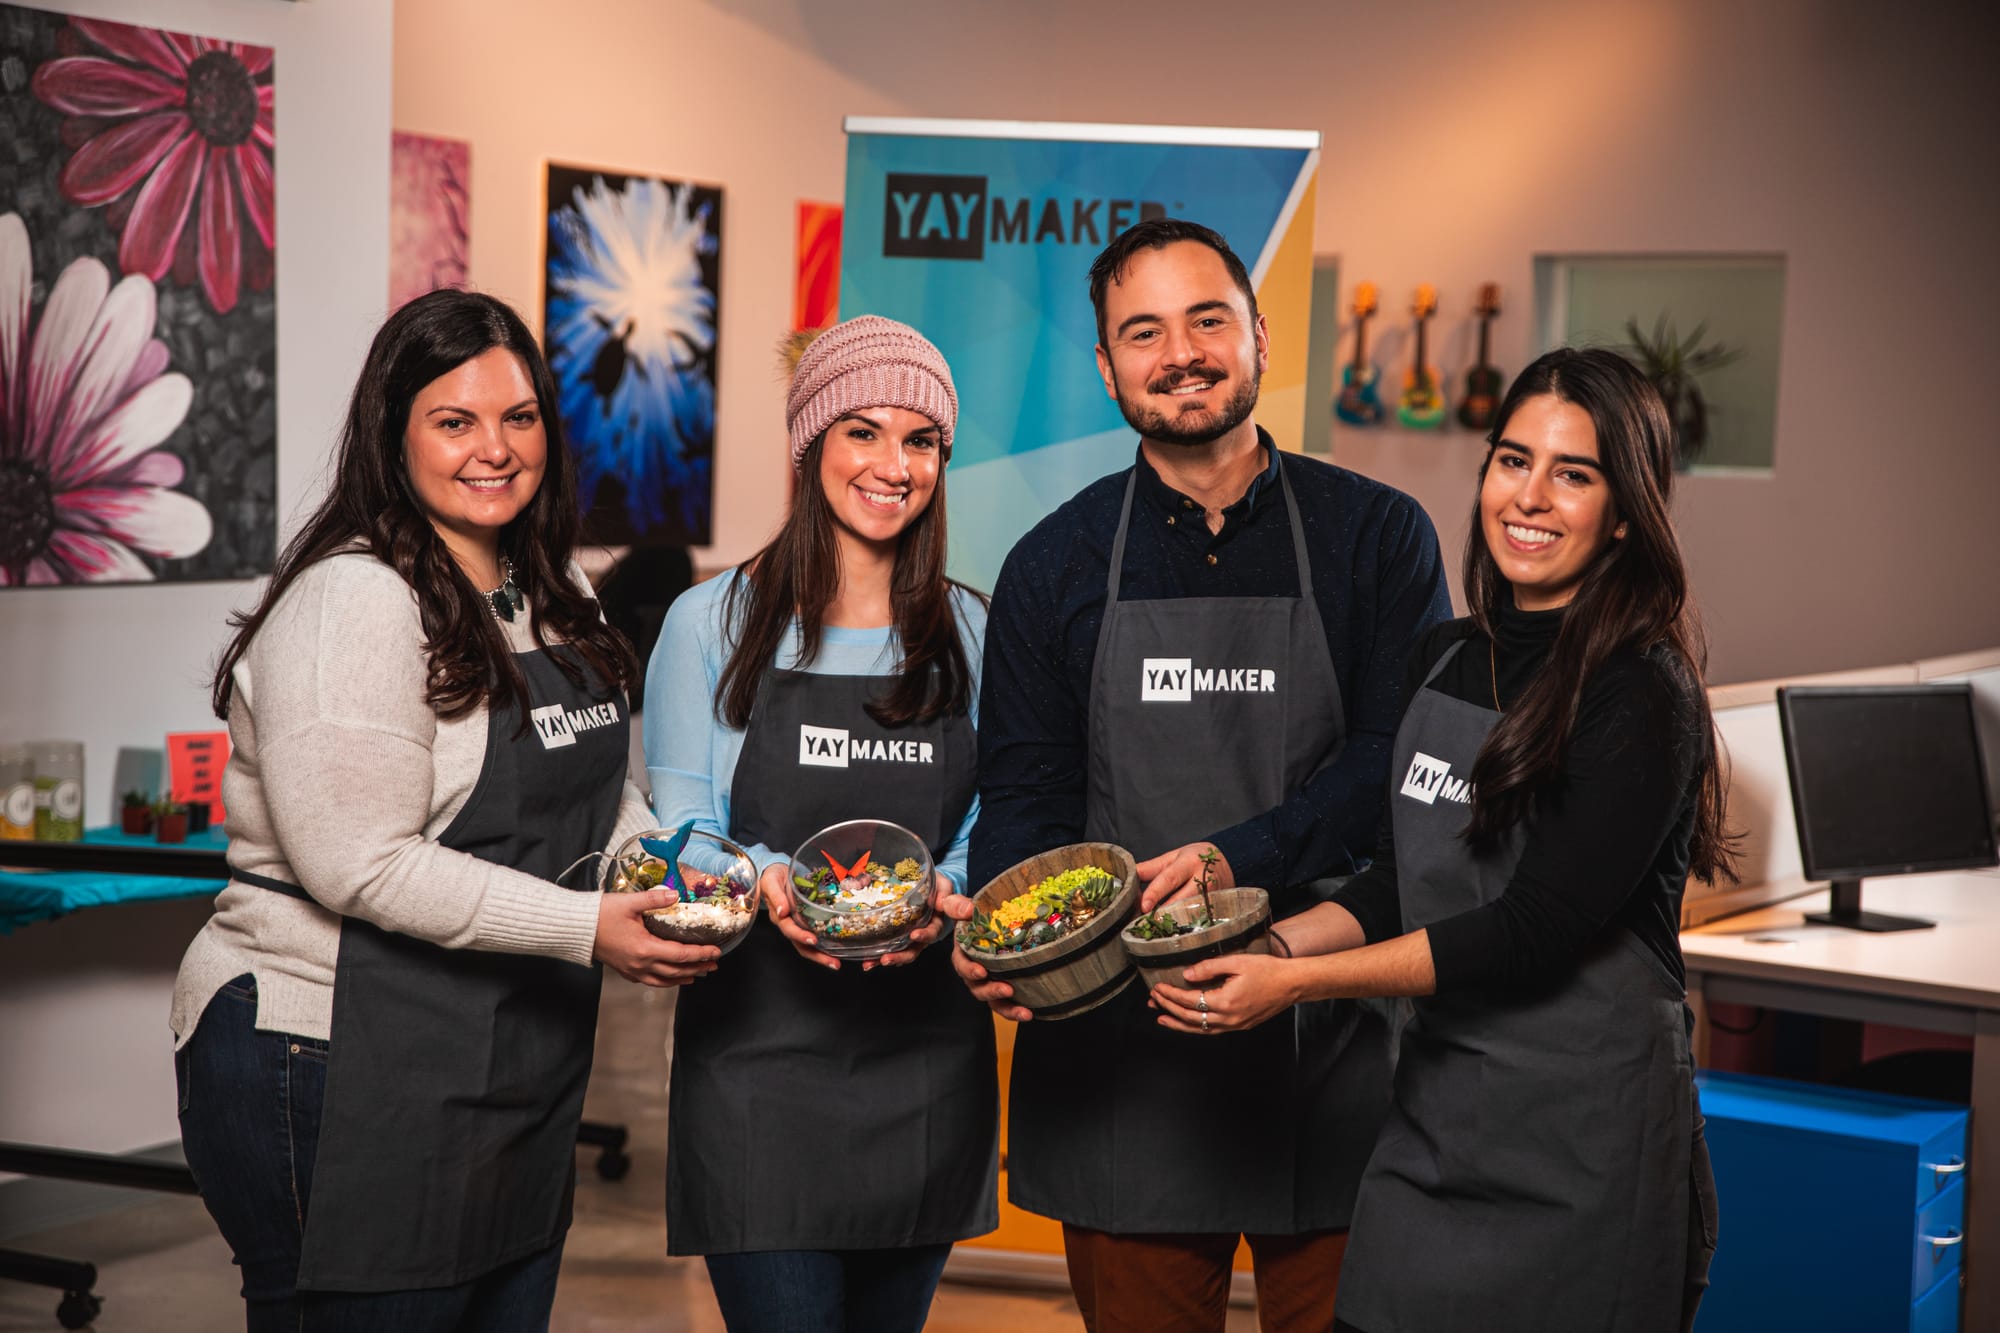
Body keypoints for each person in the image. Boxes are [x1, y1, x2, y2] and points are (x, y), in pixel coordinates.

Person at [1152, 347, 1731, 1333]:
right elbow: (1396, 879)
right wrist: (1269, 948)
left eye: (1572, 474)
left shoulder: (1642, 692)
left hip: (1584, 1153)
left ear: (1624, 512)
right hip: (1435, 1134)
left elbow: (1529, 929)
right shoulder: (1443, 660)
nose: (1530, 496)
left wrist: (1291, 986)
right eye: (1512, 460)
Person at [171, 289, 716, 1332]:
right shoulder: (356, 600)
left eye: (518, 417)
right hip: (329, 1054)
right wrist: (587, 928)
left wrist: (664, 870)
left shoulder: (550, 589)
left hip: (505, 1053)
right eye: (454, 420)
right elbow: (357, 863)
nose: (495, 449)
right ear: (395, 433)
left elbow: (603, 793)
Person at [943, 219, 1452, 1333]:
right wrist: (1003, 933)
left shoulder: (1378, 538)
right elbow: (1025, 791)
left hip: (1334, 1038)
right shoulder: (1051, 564)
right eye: (1143, 331)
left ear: (1259, 336)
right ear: (1105, 367)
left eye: (1206, 318)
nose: (1180, 351)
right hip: (1123, 1068)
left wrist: (1239, 857)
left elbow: (1398, 768)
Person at [644, 315, 997, 1333]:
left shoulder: (972, 631)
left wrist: (942, 891)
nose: (893, 465)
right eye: (862, 431)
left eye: (920, 439)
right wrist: (763, 880)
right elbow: (682, 828)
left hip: (923, 1064)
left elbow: (986, 816)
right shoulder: (710, 622)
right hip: (758, 1063)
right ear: (809, 443)